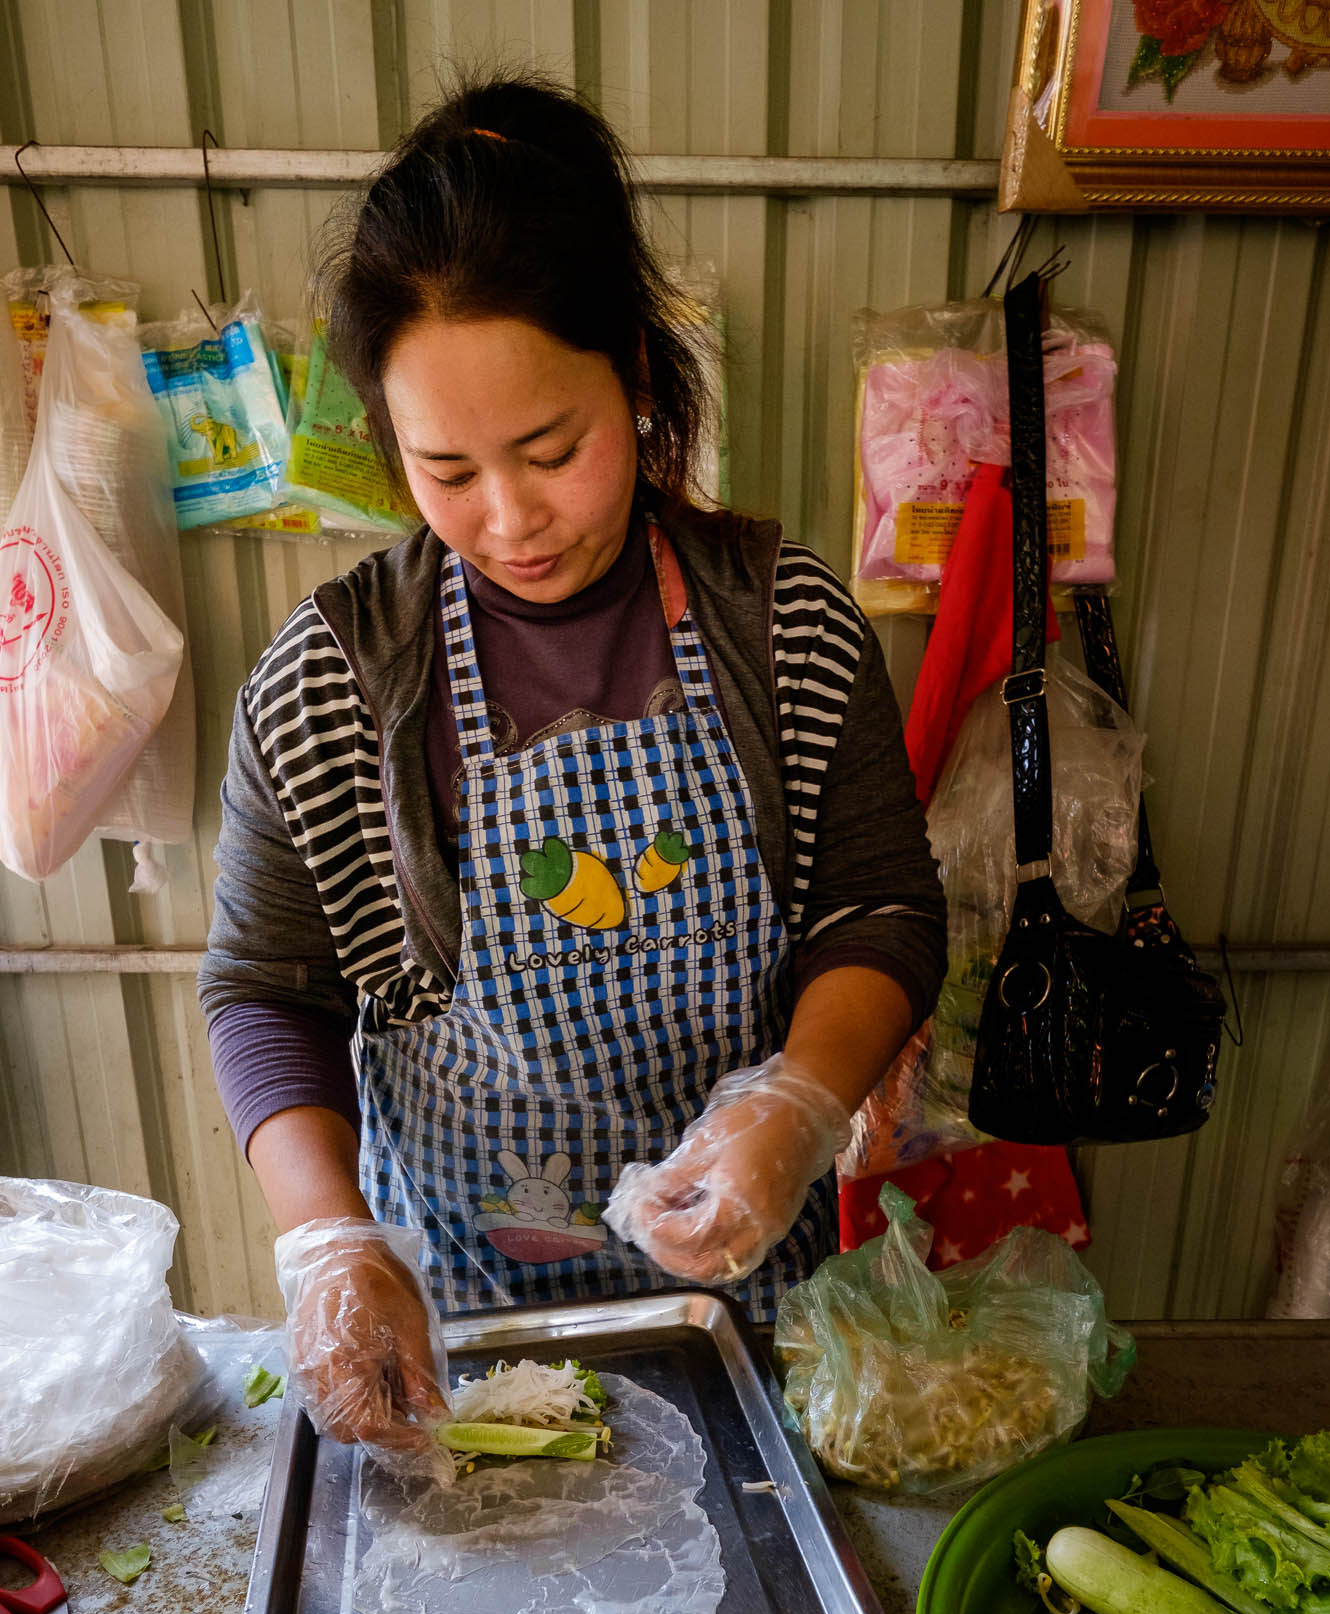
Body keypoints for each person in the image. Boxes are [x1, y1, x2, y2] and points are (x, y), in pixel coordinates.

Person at [198, 71, 946, 1461]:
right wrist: (327, 1243)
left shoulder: (781, 624)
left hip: (750, 1313)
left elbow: (879, 909)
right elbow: (266, 989)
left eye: (552, 451)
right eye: (447, 471)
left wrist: (796, 1106)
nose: (510, 519)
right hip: (464, 1336)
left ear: (639, 381)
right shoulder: (330, 685)